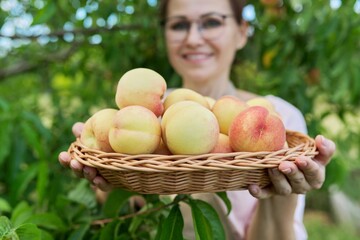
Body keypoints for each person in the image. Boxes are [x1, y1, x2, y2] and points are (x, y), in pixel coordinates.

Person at [58, 0, 336, 239]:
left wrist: (282, 195)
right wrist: (110, 179)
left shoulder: (279, 116)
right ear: (165, 34)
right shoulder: (144, 113)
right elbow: (134, 215)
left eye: (212, 22)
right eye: (179, 25)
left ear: (241, 32)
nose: (193, 38)